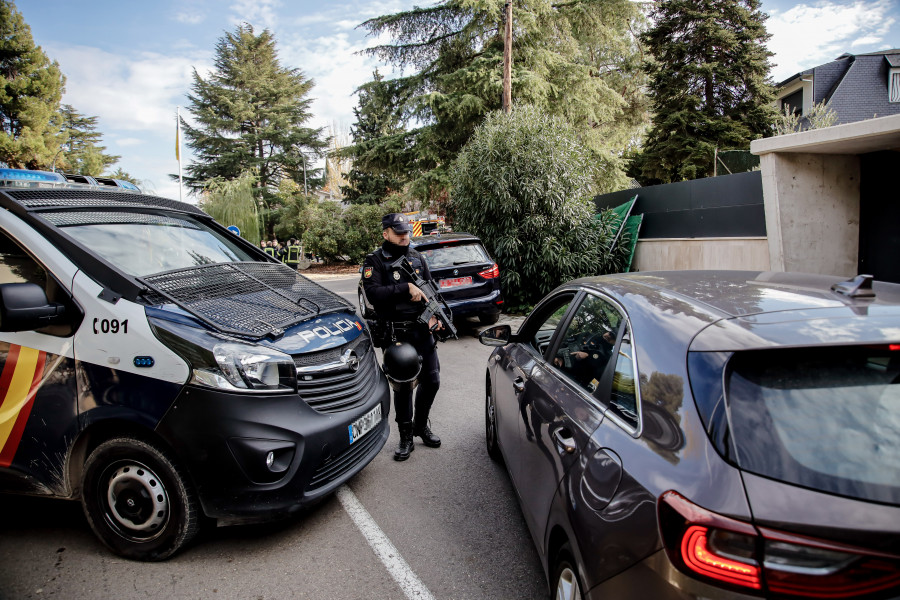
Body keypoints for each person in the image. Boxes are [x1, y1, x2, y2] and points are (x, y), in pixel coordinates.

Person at [362, 213, 444, 461]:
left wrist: (436, 315)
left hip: (421, 330)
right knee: (404, 386)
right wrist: (405, 288)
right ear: (385, 233)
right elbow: (373, 294)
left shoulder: (416, 257)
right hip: (396, 333)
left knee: (432, 380)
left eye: (406, 232)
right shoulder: (374, 261)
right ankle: (406, 436)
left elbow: (431, 289)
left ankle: (421, 426)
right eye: (398, 233)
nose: (404, 237)